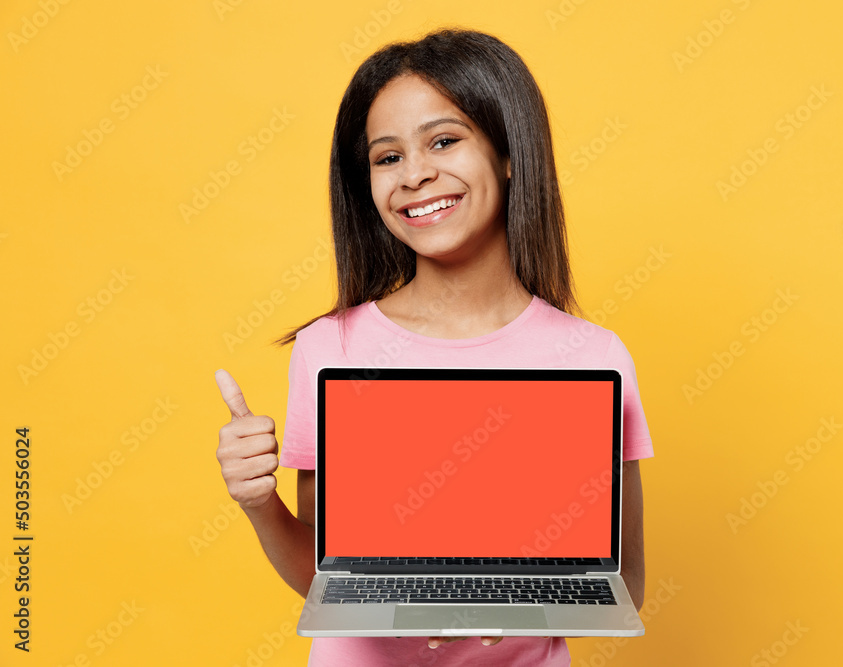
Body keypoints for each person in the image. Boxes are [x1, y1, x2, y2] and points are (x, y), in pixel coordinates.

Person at [214, 27, 654, 666]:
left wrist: (508, 603)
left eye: (444, 141)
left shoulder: (592, 357)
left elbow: (627, 586)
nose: (415, 174)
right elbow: (325, 583)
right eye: (386, 157)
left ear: (508, 154)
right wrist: (259, 504)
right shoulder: (331, 347)